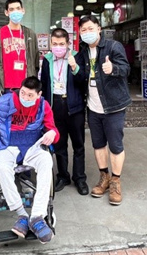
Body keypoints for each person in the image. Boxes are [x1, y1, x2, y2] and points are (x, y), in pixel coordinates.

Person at [0, 77, 59, 244]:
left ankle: (37, 216)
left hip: (31, 147)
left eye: (30, 95)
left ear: (39, 95)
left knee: (46, 160)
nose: (25, 98)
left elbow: (53, 131)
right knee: (2, 168)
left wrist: (52, 133)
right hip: (7, 145)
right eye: (22, 93)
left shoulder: (43, 106)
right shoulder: (5, 102)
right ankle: (22, 215)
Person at [78, 15, 131, 206]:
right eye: (83, 30)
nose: (87, 33)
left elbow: (126, 69)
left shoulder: (113, 47)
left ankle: (115, 181)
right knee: (98, 145)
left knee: (115, 145)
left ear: (99, 29)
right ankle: (104, 177)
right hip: (93, 107)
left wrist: (113, 68)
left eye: (90, 28)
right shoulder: (83, 52)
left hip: (113, 107)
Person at [40, 28, 88, 195]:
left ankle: (79, 178)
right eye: (55, 44)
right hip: (55, 106)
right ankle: (63, 176)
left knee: (78, 144)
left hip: (74, 106)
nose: (58, 47)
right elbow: (44, 83)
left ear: (68, 43)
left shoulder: (77, 56)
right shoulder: (47, 60)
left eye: (61, 44)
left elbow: (83, 80)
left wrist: (74, 66)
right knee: (59, 144)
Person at [0, 0, 40, 101]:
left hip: (27, 88)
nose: (15, 12)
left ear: (23, 10)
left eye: (18, 8)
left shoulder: (30, 34)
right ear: (6, 13)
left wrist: (34, 86)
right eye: (11, 9)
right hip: (5, 88)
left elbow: (36, 64)